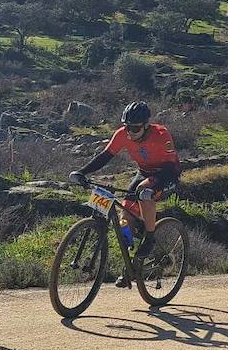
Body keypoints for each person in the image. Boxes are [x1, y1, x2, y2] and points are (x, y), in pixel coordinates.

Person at [70, 101, 180, 285]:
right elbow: (105, 156)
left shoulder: (161, 134)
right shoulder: (122, 134)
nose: (130, 132)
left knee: (144, 191)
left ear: (146, 126)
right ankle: (131, 265)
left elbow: (170, 168)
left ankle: (150, 238)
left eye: (135, 128)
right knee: (125, 218)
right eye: (127, 127)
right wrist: (82, 172)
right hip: (144, 172)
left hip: (166, 174)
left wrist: (152, 186)